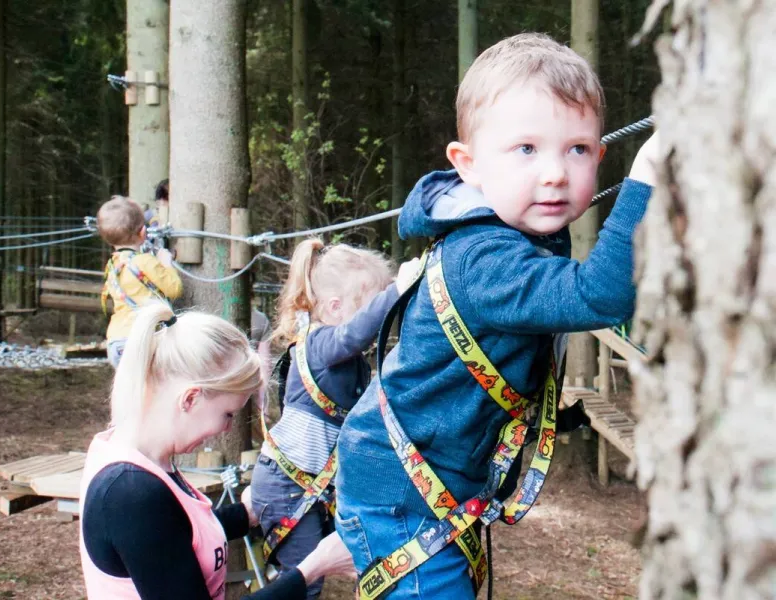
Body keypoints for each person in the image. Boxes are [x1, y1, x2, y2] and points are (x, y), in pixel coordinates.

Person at [334, 33, 660, 599]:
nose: (555, 173)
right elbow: (602, 296)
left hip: (426, 482)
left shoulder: (509, 238)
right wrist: (650, 174)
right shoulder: (483, 258)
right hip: (403, 494)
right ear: (468, 165)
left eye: (577, 150)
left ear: (598, 156)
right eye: (526, 149)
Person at [79, 303, 356, 599]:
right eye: (227, 414)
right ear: (190, 399)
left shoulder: (139, 460)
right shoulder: (131, 493)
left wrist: (245, 514)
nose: (227, 428)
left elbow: (172, 542)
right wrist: (311, 569)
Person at [249, 238, 418, 600]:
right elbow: (353, 335)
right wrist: (396, 291)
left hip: (307, 485)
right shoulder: (320, 343)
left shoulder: (348, 362)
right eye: (369, 306)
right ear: (336, 307)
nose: (376, 319)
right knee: (304, 583)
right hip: (287, 483)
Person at [97, 196, 183, 368]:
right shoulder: (145, 261)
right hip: (144, 339)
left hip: (117, 341)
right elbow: (174, 289)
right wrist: (166, 263)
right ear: (143, 232)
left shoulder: (112, 265)